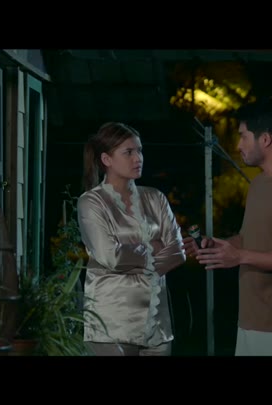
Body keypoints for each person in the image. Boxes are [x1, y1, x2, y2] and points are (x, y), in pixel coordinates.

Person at [183, 98, 272, 356]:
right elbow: (248, 238)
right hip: (251, 318)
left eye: (243, 136)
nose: (238, 145)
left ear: (266, 139)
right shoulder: (259, 183)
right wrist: (218, 246)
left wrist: (239, 257)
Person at [77, 122, 186, 356]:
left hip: (156, 323)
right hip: (111, 323)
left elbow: (178, 251)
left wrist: (134, 255)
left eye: (140, 150)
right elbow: (111, 256)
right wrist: (153, 248)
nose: (138, 158)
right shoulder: (91, 202)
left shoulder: (155, 197)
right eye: (128, 152)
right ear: (106, 159)